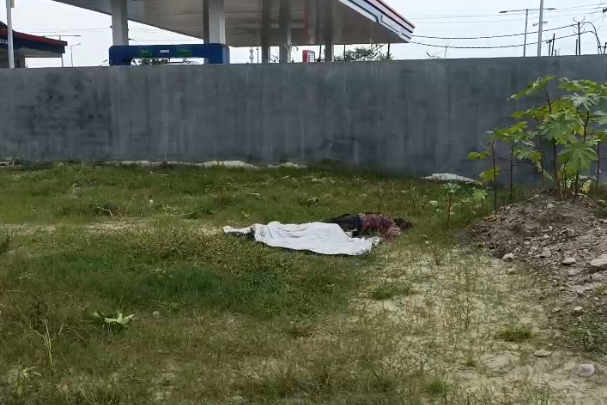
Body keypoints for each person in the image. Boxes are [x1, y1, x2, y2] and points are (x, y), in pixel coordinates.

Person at [323, 213, 413, 240]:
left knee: (332, 223)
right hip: (358, 223)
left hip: (358, 218)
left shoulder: (387, 219)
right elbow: (388, 237)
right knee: (332, 226)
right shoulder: (393, 225)